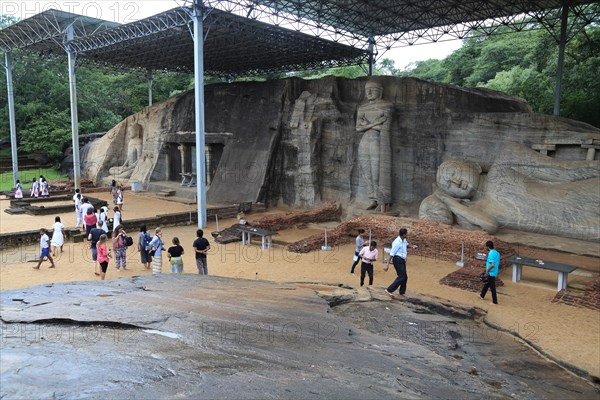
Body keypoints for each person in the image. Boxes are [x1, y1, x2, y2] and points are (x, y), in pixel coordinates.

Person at [356, 80, 393, 210]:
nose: (370, 92)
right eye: (367, 90)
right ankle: (372, 198)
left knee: (377, 172)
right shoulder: (362, 108)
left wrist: (367, 125)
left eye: (373, 89)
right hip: (364, 142)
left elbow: (386, 126)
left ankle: (381, 199)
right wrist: (375, 124)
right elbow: (358, 128)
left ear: (380, 92)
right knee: (366, 172)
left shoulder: (387, 106)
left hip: (377, 141)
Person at [384, 228, 417, 297]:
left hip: (402, 260)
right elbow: (391, 254)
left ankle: (402, 292)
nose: (407, 235)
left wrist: (412, 246)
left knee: (405, 277)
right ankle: (389, 290)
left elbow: (406, 245)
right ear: (404, 234)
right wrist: (387, 264)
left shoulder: (404, 240)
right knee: (401, 276)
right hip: (397, 259)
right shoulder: (396, 242)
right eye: (406, 233)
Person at [480, 240, 500, 305]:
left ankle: (495, 301)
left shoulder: (491, 253)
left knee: (492, 287)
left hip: (491, 272)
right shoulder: (497, 253)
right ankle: (482, 295)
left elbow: (492, 265)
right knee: (487, 284)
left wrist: (487, 270)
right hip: (494, 272)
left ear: (488, 247)